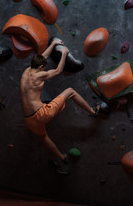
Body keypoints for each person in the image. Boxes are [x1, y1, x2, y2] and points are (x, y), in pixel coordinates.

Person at [20, 37, 99, 165]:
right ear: (41, 67)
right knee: (70, 91)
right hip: (42, 113)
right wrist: (64, 53)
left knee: (44, 137)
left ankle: (62, 157)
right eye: (43, 67)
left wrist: (53, 44)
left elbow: (42, 57)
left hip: (29, 119)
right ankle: (93, 111)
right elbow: (58, 71)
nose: (44, 68)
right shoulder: (40, 75)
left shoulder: (27, 71)